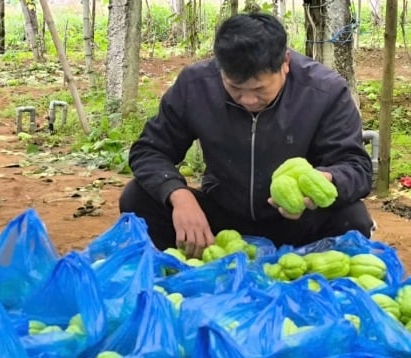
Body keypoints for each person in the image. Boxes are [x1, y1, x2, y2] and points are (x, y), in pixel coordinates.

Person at [119, 12, 374, 256]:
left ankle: (309, 283)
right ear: (220, 68)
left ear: (285, 63)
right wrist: (179, 196)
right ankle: (190, 271)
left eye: (259, 89)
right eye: (235, 88)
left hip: (295, 221)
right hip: (221, 221)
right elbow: (149, 150)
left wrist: (323, 182)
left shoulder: (325, 91)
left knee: (352, 218)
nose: (248, 100)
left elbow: (357, 167)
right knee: (137, 198)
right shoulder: (195, 86)